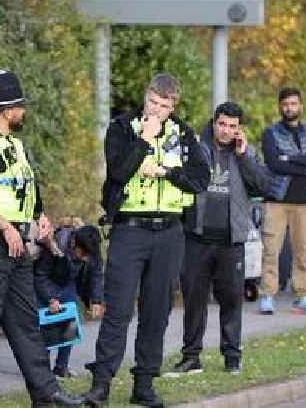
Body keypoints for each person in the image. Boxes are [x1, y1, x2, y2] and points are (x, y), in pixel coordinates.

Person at [83, 72, 210, 408]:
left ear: (173, 106)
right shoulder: (123, 128)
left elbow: (200, 179)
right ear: (145, 96)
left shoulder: (183, 134)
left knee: (157, 311)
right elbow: (119, 172)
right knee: (119, 310)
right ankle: (101, 386)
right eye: (153, 102)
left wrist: (167, 172)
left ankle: (144, 384)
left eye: (164, 106)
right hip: (130, 229)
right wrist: (144, 140)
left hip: (169, 232)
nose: (157, 110)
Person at [0, 70, 82, 408]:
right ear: (7, 109)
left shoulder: (15, 147)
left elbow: (24, 195)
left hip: (16, 245)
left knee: (26, 321)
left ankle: (47, 393)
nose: (23, 111)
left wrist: (40, 218)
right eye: (19, 106)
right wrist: (6, 227)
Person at [166, 102, 269, 377]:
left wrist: (244, 155)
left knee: (232, 300)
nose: (226, 130)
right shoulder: (196, 148)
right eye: (222, 124)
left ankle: (232, 356)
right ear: (214, 122)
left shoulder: (247, 152)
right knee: (194, 300)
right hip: (197, 237)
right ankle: (191, 357)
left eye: (232, 126)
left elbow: (261, 186)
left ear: (239, 129)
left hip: (231, 240)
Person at [259, 87, 306, 316]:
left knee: (303, 251)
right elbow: (274, 164)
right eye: (285, 104)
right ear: (280, 107)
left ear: (301, 106)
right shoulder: (270, 133)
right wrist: (300, 161)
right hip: (277, 199)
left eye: (293, 104)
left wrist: (290, 158)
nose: (289, 108)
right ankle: (267, 295)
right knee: (271, 249)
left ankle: (302, 296)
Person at [34, 220, 105, 378]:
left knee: (70, 324)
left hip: (69, 283)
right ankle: (42, 370)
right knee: (47, 326)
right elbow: (40, 275)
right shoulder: (56, 244)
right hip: (48, 281)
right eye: (83, 254)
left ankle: (61, 367)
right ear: (74, 243)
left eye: (89, 255)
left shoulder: (91, 248)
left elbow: (96, 274)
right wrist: (50, 298)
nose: (86, 259)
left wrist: (97, 300)